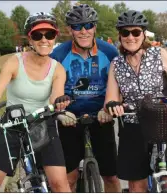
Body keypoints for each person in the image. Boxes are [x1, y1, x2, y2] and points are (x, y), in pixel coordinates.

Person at [0, 12, 72, 192]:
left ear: (55, 37)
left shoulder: (58, 69)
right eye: (37, 35)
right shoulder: (15, 62)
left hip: (42, 126)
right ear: (30, 39)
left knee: (60, 184)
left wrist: (59, 102)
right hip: (12, 125)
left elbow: (56, 96)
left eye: (49, 35)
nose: (44, 40)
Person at [104, 10, 167, 192]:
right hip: (132, 123)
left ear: (143, 34)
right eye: (125, 33)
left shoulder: (159, 54)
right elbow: (110, 99)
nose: (131, 37)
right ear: (119, 36)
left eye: (136, 32)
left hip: (165, 121)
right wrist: (113, 105)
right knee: (137, 184)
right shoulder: (116, 64)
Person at [50, 4, 121, 192]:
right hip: (70, 119)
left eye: (88, 25)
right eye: (77, 26)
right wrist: (60, 112)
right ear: (69, 30)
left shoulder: (110, 52)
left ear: (95, 27)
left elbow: (119, 86)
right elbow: (52, 89)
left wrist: (109, 109)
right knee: (70, 178)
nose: (83, 31)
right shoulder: (59, 54)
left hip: (101, 116)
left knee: (112, 177)